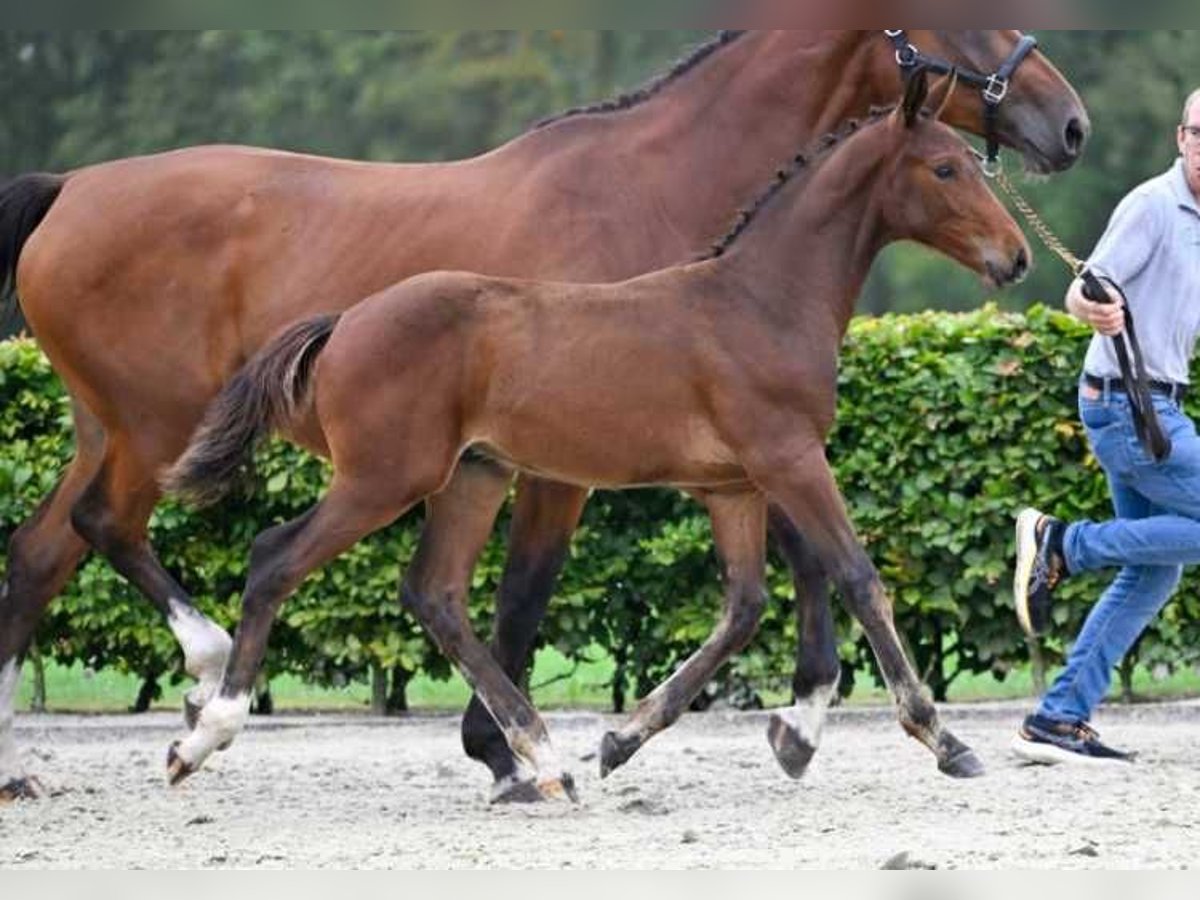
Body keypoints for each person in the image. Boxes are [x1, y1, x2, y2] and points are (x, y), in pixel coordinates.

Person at [1011, 88, 1200, 765]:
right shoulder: (1153, 206)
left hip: (1156, 405)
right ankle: (1063, 544)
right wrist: (1097, 311)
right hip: (1125, 404)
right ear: (1181, 138)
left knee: (1154, 574)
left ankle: (1058, 719)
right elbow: (1079, 289)